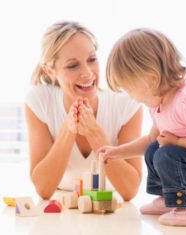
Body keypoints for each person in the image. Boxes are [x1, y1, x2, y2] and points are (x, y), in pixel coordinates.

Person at [98, 28, 186, 226]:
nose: (131, 97)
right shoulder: (158, 105)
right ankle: (171, 199)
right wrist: (117, 152)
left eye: (130, 89)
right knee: (155, 148)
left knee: (165, 154)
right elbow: (150, 140)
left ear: (150, 79)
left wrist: (177, 141)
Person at [24, 21, 143, 201]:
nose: (87, 73)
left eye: (92, 59)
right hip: (62, 214)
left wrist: (94, 133)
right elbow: (44, 189)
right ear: (50, 71)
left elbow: (129, 190)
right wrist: (68, 130)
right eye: (73, 66)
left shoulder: (126, 103)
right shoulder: (39, 102)